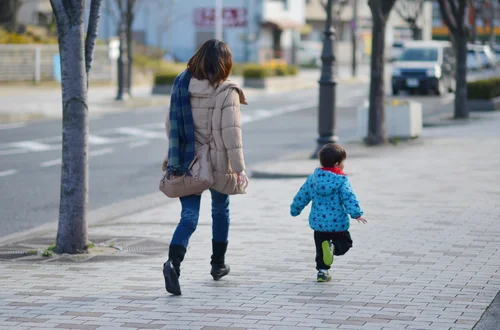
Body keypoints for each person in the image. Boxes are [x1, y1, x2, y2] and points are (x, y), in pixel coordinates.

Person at [161, 39, 249, 295]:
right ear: (225, 63)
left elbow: (170, 125)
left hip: (185, 161)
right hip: (218, 160)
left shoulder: (181, 84)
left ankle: (173, 264)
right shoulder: (226, 91)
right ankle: (217, 265)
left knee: (189, 217)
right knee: (220, 210)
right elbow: (231, 133)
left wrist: (180, 151)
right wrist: (240, 167)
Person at [290, 143, 367, 282]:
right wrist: (356, 213)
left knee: (321, 249)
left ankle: (322, 272)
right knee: (346, 243)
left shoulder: (313, 178)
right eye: (344, 161)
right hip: (337, 223)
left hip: (319, 223)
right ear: (337, 164)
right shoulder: (341, 180)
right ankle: (333, 247)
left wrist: (295, 209)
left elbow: (302, 195)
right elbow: (349, 197)